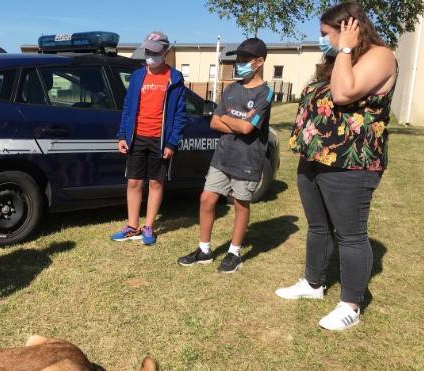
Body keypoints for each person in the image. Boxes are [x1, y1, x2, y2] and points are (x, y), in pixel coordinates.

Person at [276, 2, 397, 331]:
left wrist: (344, 47)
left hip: (351, 163)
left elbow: (344, 94)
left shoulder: (380, 56)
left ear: (349, 29)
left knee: (350, 235)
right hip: (315, 158)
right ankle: (313, 284)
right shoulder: (338, 59)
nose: (322, 41)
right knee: (317, 227)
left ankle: (351, 304)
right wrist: (340, 51)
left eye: (326, 34)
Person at [177, 38, 273, 273]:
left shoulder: (265, 92)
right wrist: (238, 121)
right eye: (237, 59)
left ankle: (234, 253)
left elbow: (248, 129)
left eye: (244, 59)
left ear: (259, 62)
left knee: (241, 204)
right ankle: (205, 250)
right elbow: (214, 122)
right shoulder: (231, 89)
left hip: (248, 160)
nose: (238, 63)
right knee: (207, 199)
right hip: (223, 157)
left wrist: (231, 121)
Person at [111, 31, 186, 246]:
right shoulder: (137, 76)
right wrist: (123, 135)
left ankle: (148, 226)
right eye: (147, 50)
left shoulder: (175, 78)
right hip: (137, 138)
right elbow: (127, 108)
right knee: (134, 182)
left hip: (160, 140)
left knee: (155, 182)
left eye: (154, 51)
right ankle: (132, 226)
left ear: (165, 52)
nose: (149, 55)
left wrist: (172, 142)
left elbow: (180, 114)